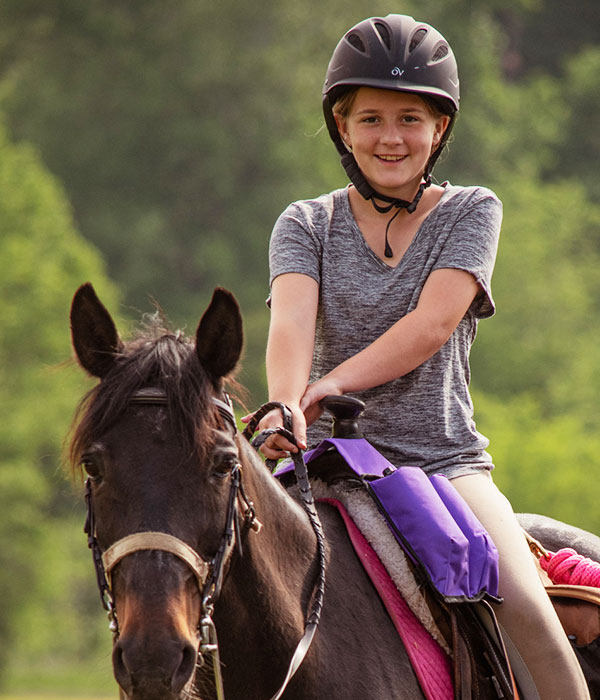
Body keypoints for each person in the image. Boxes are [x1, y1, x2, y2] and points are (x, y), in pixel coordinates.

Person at [245, 14, 589, 700]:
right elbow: (290, 325)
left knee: (525, 608)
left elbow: (432, 325)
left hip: (442, 463)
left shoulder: (470, 212)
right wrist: (287, 400)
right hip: (325, 461)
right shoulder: (305, 223)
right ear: (341, 127)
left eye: (410, 117)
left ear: (440, 130)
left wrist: (335, 381)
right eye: (370, 117)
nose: (390, 137)